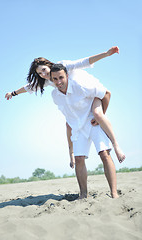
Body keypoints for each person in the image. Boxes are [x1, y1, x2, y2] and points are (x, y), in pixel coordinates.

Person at [5, 46, 125, 168]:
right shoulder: (49, 80)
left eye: (44, 70)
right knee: (69, 124)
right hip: (78, 101)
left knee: (98, 114)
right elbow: (30, 86)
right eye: (40, 73)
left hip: (91, 92)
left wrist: (106, 54)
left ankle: (116, 145)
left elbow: (84, 62)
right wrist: (13, 93)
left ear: (48, 64)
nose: (43, 74)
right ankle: (71, 154)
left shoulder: (63, 66)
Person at [50, 63, 123, 199]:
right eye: (55, 79)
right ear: (51, 80)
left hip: (92, 122)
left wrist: (100, 115)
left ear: (67, 76)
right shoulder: (55, 96)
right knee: (79, 159)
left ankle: (114, 193)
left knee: (104, 154)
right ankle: (83, 194)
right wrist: (70, 151)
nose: (58, 82)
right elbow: (68, 120)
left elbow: (106, 93)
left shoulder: (80, 86)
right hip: (78, 128)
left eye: (61, 77)